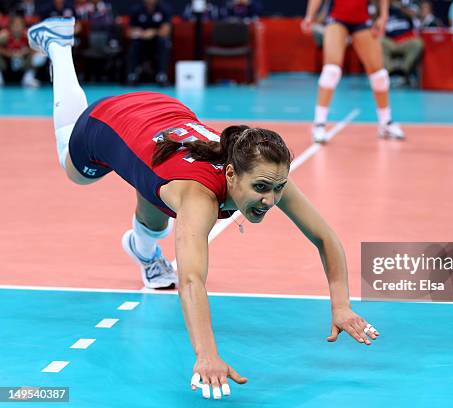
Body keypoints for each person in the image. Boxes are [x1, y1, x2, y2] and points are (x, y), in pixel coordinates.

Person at [27, 17, 380, 399]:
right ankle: (59, 49)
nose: (270, 199)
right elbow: (192, 278)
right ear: (231, 173)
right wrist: (207, 354)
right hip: (109, 123)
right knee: (76, 170)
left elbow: (324, 237)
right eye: (261, 189)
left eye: (277, 189)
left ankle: (143, 253)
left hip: (162, 119)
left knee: (155, 208)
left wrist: (342, 306)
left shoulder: (265, 170)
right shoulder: (198, 197)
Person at [301, 0, 405, 143]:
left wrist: (383, 16)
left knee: (379, 75)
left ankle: (385, 122)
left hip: (362, 20)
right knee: (331, 70)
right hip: (336, 19)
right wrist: (310, 15)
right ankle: (319, 124)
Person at [126, 0, 171, 86]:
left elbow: (166, 31)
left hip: (157, 41)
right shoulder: (136, 9)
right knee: (134, 44)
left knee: (163, 42)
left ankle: (162, 75)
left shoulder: (164, 9)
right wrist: (141, 33)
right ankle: (132, 75)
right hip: (141, 40)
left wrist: (153, 32)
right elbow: (129, 31)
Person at [381, 0, 423, 87]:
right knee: (379, 42)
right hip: (390, 42)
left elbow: (416, 16)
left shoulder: (407, 7)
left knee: (417, 43)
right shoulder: (385, 10)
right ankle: (390, 72)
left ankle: (403, 71)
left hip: (405, 41)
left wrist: (402, 8)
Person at [0, 14, 44, 87]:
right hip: (7, 64)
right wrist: (9, 53)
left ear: (23, 26)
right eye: (15, 25)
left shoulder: (28, 36)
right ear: (10, 26)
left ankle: (28, 78)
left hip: (23, 64)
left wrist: (26, 51)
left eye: (20, 25)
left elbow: (38, 48)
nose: (17, 27)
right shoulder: (4, 35)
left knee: (40, 56)